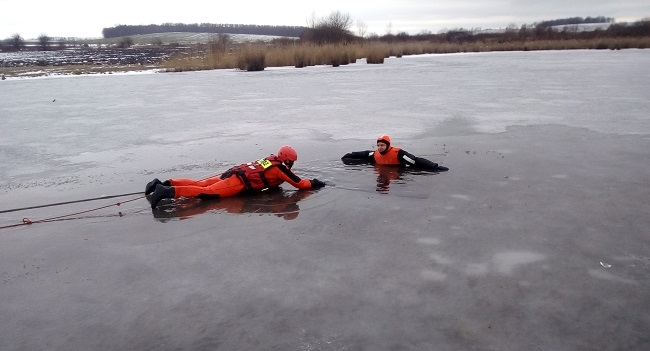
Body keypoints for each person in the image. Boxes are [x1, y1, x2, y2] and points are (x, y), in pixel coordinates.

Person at [145, 145, 326, 209]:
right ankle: (166, 191)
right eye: (292, 161)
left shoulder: (270, 159)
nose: (292, 164)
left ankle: (163, 182)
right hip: (237, 182)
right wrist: (316, 183)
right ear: (288, 160)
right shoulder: (281, 169)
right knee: (207, 192)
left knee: (201, 183)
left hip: (233, 172)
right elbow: (300, 184)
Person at [341, 134, 449, 171]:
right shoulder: (375, 154)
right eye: (378, 145)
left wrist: (435, 167)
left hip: (399, 171)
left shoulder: (399, 153)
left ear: (388, 145)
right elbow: (365, 154)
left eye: (382, 145)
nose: (380, 147)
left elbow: (415, 160)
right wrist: (351, 154)